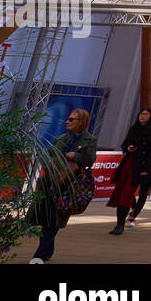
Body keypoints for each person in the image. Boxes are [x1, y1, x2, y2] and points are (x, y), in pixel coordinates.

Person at [27, 108, 98, 263]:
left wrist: (77, 156)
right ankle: (45, 251)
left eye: (72, 119)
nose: (67, 121)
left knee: (54, 220)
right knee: (47, 220)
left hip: (70, 186)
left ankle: (40, 254)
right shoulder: (60, 138)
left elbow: (90, 159)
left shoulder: (89, 140)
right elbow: (47, 156)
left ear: (82, 122)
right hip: (50, 183)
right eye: (68, 118)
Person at [107, 107, 151, 235]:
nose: (143, 116)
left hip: (139, 167)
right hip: (127, 164)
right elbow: (124, 144)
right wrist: (128, 148)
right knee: (120, 193)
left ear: (150, 116)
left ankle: (120, 225)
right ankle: (119, 223)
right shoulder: (133, 129)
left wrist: (146, 169)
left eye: (146, 114)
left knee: (127, 194)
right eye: (141, 114)